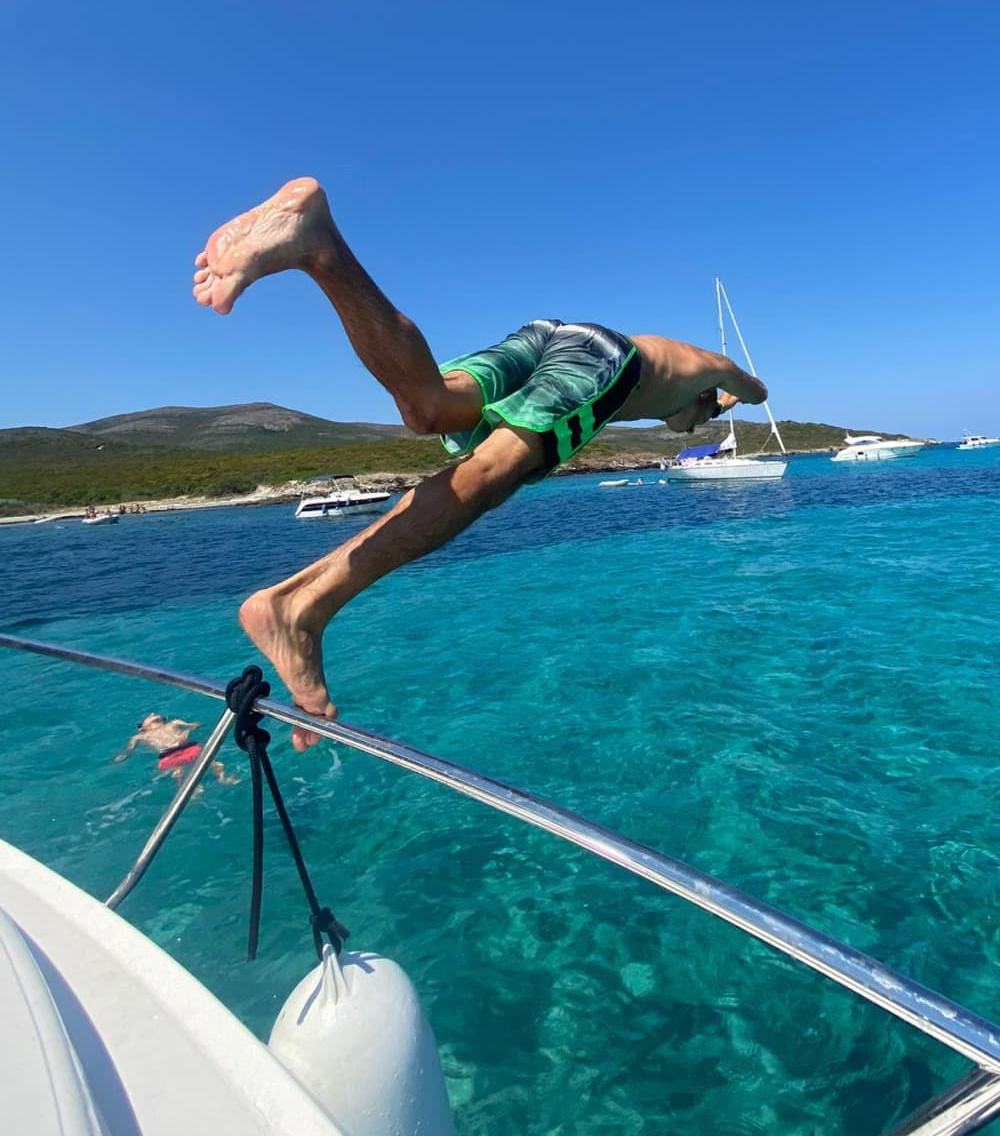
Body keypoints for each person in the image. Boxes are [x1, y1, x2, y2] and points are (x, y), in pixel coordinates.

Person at [193, 177, 769, 749]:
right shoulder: (705, 369)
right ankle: (300, 606)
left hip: (553, 334)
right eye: (703, 420)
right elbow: (757, 388)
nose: (693, 431)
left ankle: (319, 247)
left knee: (430, 404)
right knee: (493, 472)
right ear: (705, 401)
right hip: (606, 356)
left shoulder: (673, 382)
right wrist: (737, 392)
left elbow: (673, 416)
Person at [116, 713, 238, 784]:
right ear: (142, 727)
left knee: (215, 763)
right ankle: (188, 791)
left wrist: (188, 730)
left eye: (155, 715)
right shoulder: (139, 736)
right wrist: (125, 755)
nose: (153, 714)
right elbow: (130, 749)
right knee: (178, 773)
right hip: (168, 754)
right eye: (149, 716)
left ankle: (222, 779)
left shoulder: (173, 723)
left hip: (187, 746)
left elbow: (196, 724)